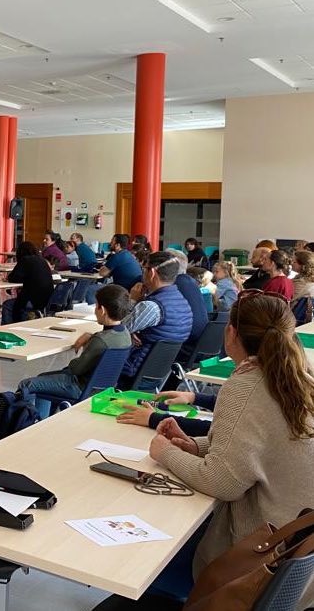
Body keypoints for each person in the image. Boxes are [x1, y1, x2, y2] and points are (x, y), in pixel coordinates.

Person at [144, 293, 314, 603]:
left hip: (255, 563)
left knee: (149, 562)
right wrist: (194, 446)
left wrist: (165, 453)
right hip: (299, 565)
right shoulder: (300, 377)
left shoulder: (246, 385)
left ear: (231, 333)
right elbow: (263, 448)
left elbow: (223, 483)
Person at [18, 285, 133, 417]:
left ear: (102, 310)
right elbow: (106, 339)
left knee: (27, 384)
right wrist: (91, 337)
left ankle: (21, 423)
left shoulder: (100, 341)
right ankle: (41, 421)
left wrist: (87, 345)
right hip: (101, 389)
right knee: (42, 378)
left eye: (96, 306)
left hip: (80, 387)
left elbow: (75, 369)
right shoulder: (125, 335)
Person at [90, 251, 191, 383]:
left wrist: (132, 300)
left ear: (152, 272)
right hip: (157, 373)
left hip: (132, 370)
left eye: (144, 269)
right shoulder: (181, 301)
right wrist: (131, 333)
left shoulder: (151, 306)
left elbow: (114, 332)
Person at [1, 241, 53, 324]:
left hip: (32, 300)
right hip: (46, 300)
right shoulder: (42, 260)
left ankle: (7, 329)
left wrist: (7, 278)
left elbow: (13, 278)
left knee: (7, 305)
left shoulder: (25, 260)